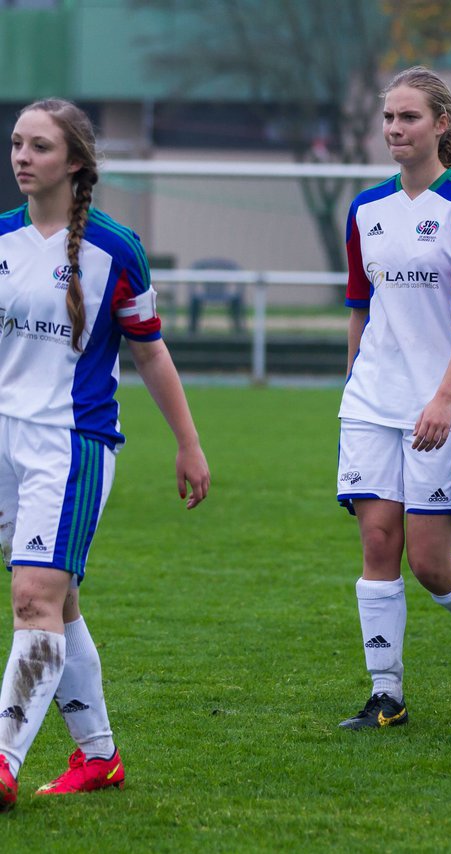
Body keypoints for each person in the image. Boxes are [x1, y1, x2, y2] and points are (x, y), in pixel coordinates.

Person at [0, 98, 210, 810]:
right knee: (58, 604)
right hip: (3, 442)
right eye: (17, 144)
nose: (23, 157)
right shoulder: (0, 239)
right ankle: (99, 757)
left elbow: (150, 354)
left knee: (33, 599)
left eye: (40, 147)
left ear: (77, 163)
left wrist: (188, 443)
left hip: (70, 447)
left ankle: (2, 763)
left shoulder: (116, 250)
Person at [336, 66, 451, 730]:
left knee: (429, 563)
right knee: (378, 544)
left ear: (441, 124)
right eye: (388, 117)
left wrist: (443, 397)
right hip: (369, 405)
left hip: (442, 406)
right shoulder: (365, 210)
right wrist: (354, 381)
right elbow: (360, 307)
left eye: (408, 117)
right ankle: (387, 694)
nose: (395, 129)